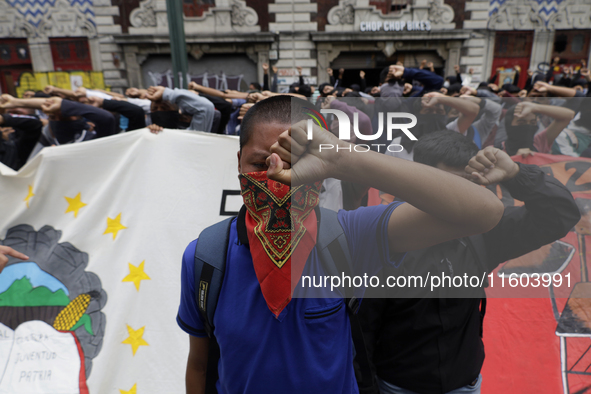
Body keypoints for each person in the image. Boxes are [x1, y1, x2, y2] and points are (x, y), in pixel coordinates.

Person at [177, 95, 505, 393]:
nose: (276, 176)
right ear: (238, 162)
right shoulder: (205, 257)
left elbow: (484, 212)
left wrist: (343, 159)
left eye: (294, 163)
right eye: (260, 164)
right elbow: (200, 364)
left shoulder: (349, 237)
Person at [359, 130, 580, 394]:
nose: (457, 197)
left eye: (466, 185)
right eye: (446, 185)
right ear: (417, 178)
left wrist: (515, 174)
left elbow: (559, 215)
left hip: (465, 384)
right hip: (397, 386)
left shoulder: (484, 232)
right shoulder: (381, 235)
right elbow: (362, 333)